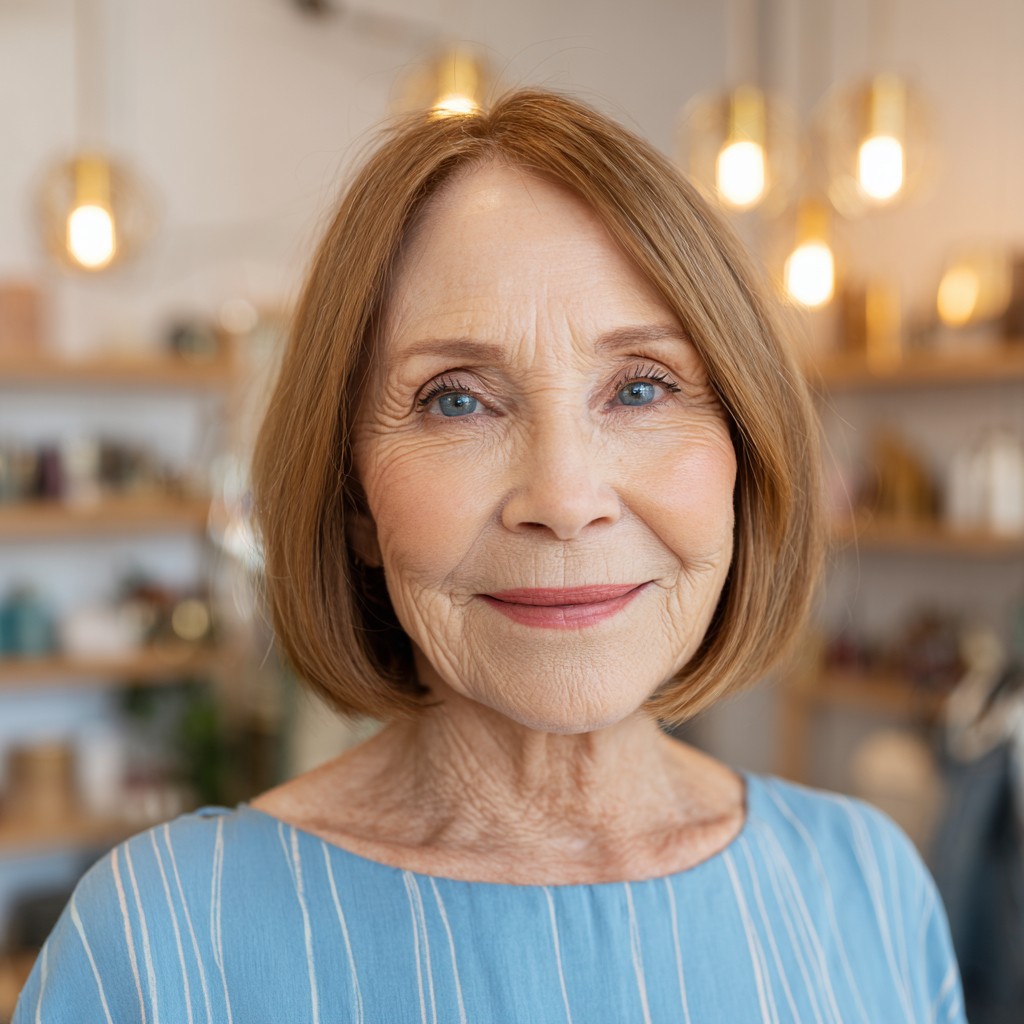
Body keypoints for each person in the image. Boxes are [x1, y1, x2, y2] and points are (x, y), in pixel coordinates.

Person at [15, 88, 966, 1023]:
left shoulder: (871, 889)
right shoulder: (160, 943)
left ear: (743, 454)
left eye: (641, 387)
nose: (563, 500)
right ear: (353, 500)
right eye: (456, 399)